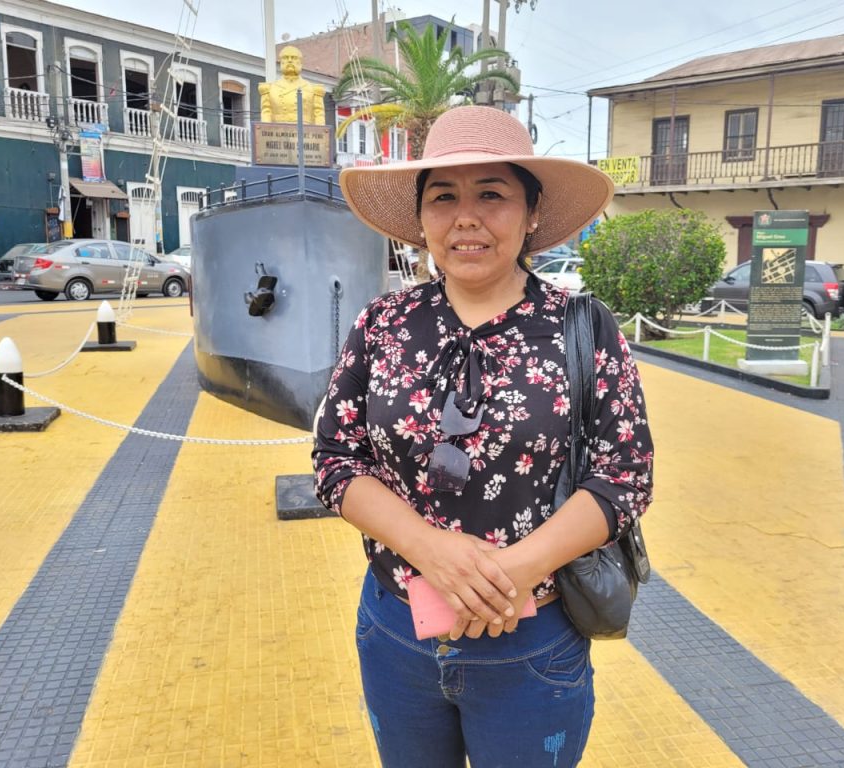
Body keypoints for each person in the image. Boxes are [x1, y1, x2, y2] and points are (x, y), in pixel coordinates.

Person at [313, 105, 653, 767]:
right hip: (396, 634)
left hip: (533, 644)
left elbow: (625, 477)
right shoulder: (382, 324)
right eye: (443, 197)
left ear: (532, 213)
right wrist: (430, 550)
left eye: (491, 194)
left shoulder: (584, 328)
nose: (465, 218)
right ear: (421, 218)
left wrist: (509, 575)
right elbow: (335, 460)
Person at [257, 45, 325, 125]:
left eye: (294, 58)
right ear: (281, 62)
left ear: (301, 63)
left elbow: (319, 115)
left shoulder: (313, 89)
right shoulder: (269, 89)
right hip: (279, 130)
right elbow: (266, 113)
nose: (289, 60)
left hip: (305, 130)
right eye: (285, 58)